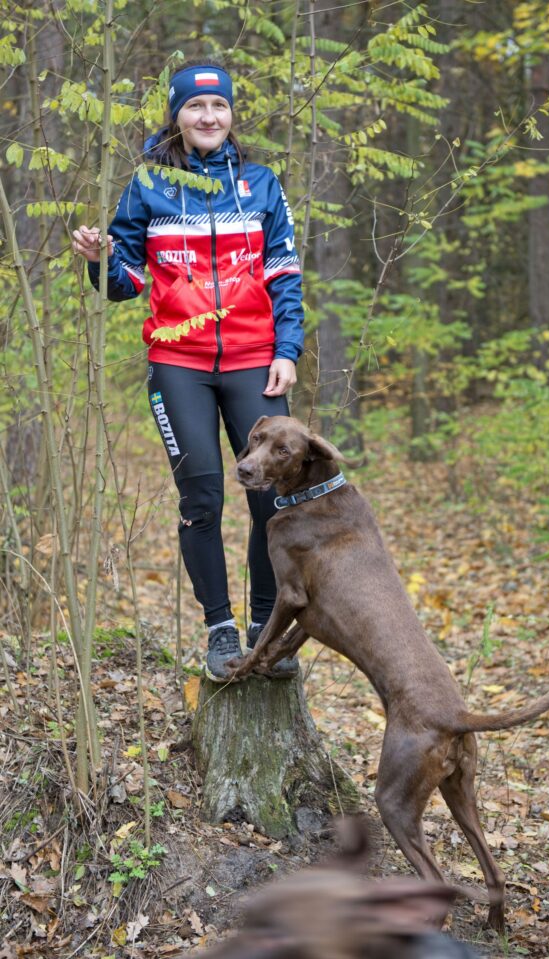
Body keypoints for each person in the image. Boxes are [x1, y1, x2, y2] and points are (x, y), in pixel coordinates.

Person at [72, 63, 303, 681]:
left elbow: (284, 273)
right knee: (202, 493)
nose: (209, 117)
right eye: (196, 107)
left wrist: (288, 350)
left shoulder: (260, 184)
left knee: (270, 501)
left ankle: (266, 631)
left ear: (231, 115)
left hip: (255, 359)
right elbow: (122, 285)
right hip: (179, 363)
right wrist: (98, 261)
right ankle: (221, 633)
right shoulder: (148, 184)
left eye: (219, 106)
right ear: (177, 115)